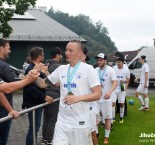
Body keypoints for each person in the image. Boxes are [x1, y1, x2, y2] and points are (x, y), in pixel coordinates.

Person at [35, 40, 101, 145]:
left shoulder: (88, 69)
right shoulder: (61, 69)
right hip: (62, 122)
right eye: (66, 50)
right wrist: (32, 75)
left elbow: (98, 94)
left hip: (80, 123)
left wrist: (78, 98)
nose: (67, 53)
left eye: (71, 50)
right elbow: (43, 84)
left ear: (80, 53)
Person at [22, 47, 53, 145]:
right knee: (34, 128)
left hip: (36, 102)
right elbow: (30, 88)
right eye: (43, 55)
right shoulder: (31, 69)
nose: (44, 57)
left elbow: (43, 83)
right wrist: (43, 97)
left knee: (35, 127)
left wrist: (45, 71)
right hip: (33, 103)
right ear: (39, 56)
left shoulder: (37, 68)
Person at [41, 47, 62, 145]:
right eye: (61, 54)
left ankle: (44, 139)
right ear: (58, 55)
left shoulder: (45, 65)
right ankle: (50, 140)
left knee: (46, 118)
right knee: (53, 119)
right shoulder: (59, 67)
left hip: (45, 94)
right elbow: (58, 82)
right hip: (55, 94)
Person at [95, 53, 117, 144]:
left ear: (105, 61)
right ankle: (96, 134)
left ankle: (106, 137)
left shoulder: (110, 70)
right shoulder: (95, 70)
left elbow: (115, 82)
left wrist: (109, 92)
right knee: (94, 117)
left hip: (107, 98)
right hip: (96, 98)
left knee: (108, 118)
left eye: (100, 60)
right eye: (98, 60)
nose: (98, 62)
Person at [111, 57, 130, 123]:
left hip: (121, 88)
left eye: (119, 62)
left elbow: (128, 79)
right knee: (112, 103)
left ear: (123, 62)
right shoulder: (113, 68)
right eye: (117, 62)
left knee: (121, 104)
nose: (118, 63)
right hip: (114, 88)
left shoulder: (126, 70)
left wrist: (124, 81)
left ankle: (121, 117)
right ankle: (113, 117)